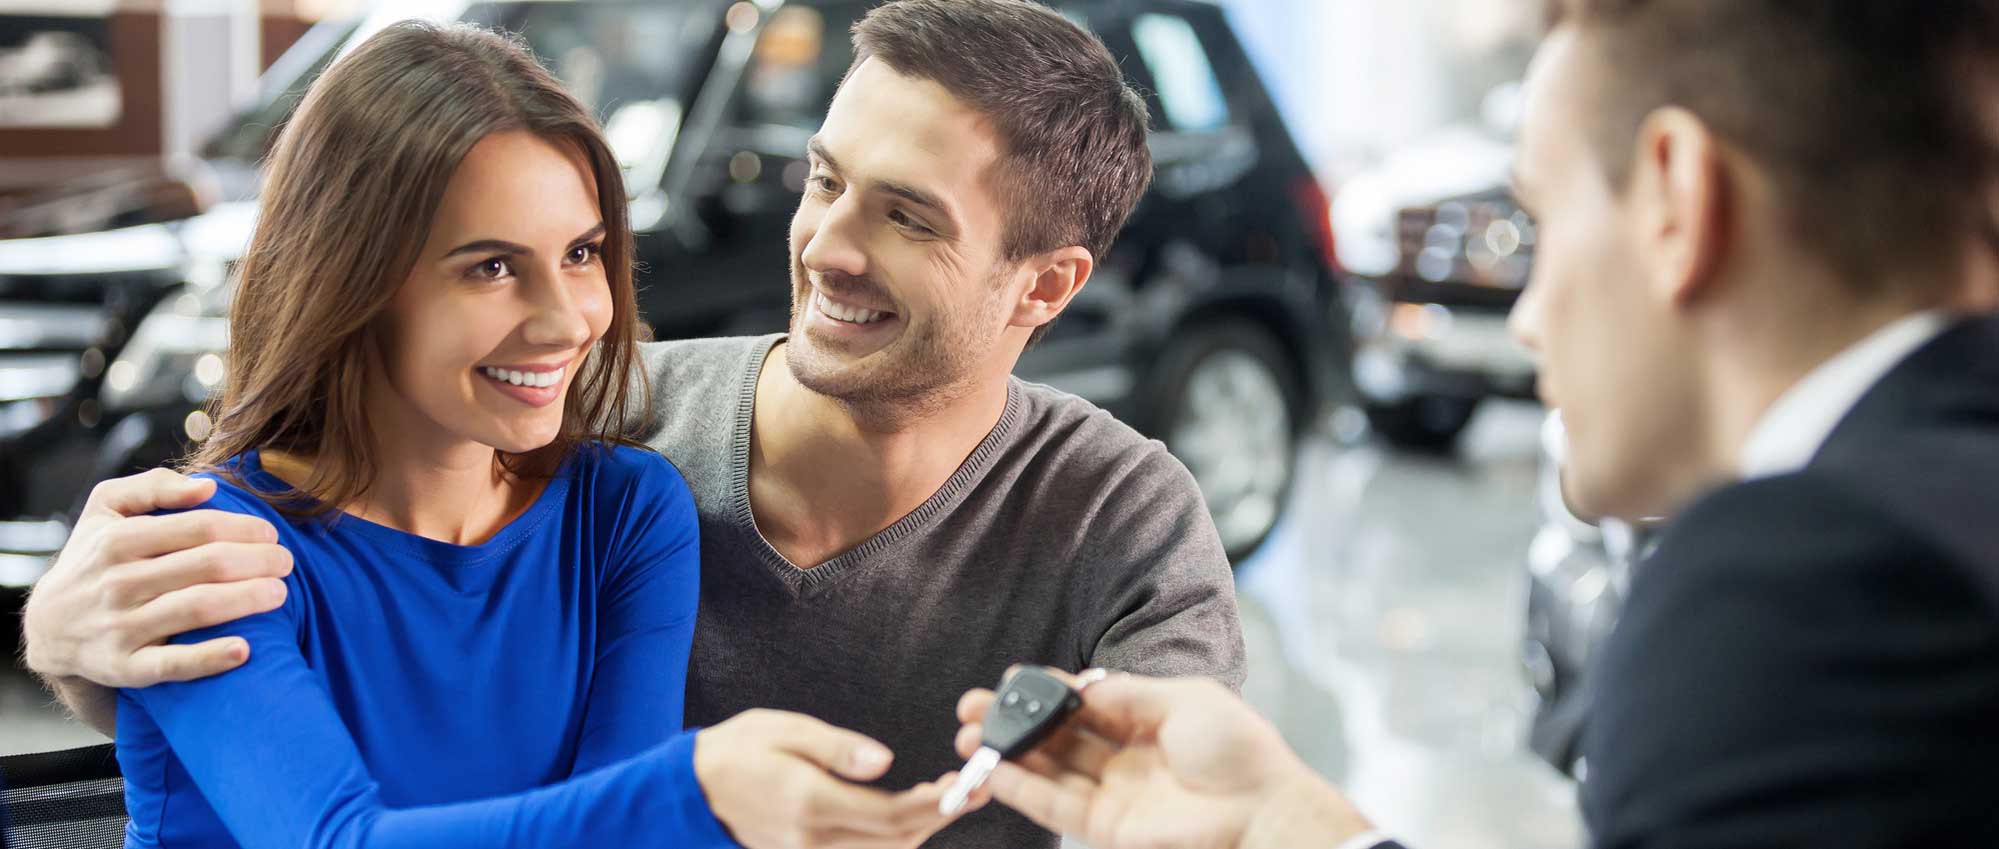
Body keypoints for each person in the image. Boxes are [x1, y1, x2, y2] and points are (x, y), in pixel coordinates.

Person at [21, 3, 1245, 848]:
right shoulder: (596, 415)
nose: (826, 244)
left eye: (909, 218)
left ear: (1044, 287)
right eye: (823, 178)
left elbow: (1196, 798)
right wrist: (61, 637)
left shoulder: (616, 493)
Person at [953, 0, 1999, 847]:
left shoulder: (1813, 586)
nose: (1533, 318)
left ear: (1676, 199)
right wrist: (1290, 829)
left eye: (1542, 223)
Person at [97, 20, 966, 849]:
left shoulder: (620, 510)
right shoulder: (202, 554)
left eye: (582, 253)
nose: (567, 319)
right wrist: (692, 787)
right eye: (492, 267)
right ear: (352, 283)